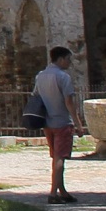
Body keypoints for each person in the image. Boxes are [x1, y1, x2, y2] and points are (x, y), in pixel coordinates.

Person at [36, 46, 85, 202]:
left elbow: (36, 96)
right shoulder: (63, 77)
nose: (69, 63)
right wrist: (78, 124)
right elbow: (69, 102)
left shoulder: (40, 76)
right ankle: (52, 193)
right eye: (68, 59)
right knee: (60, 158)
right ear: (61, 59)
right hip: (62, 122)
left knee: (55, 157)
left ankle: (62, 191)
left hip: (47, 122)